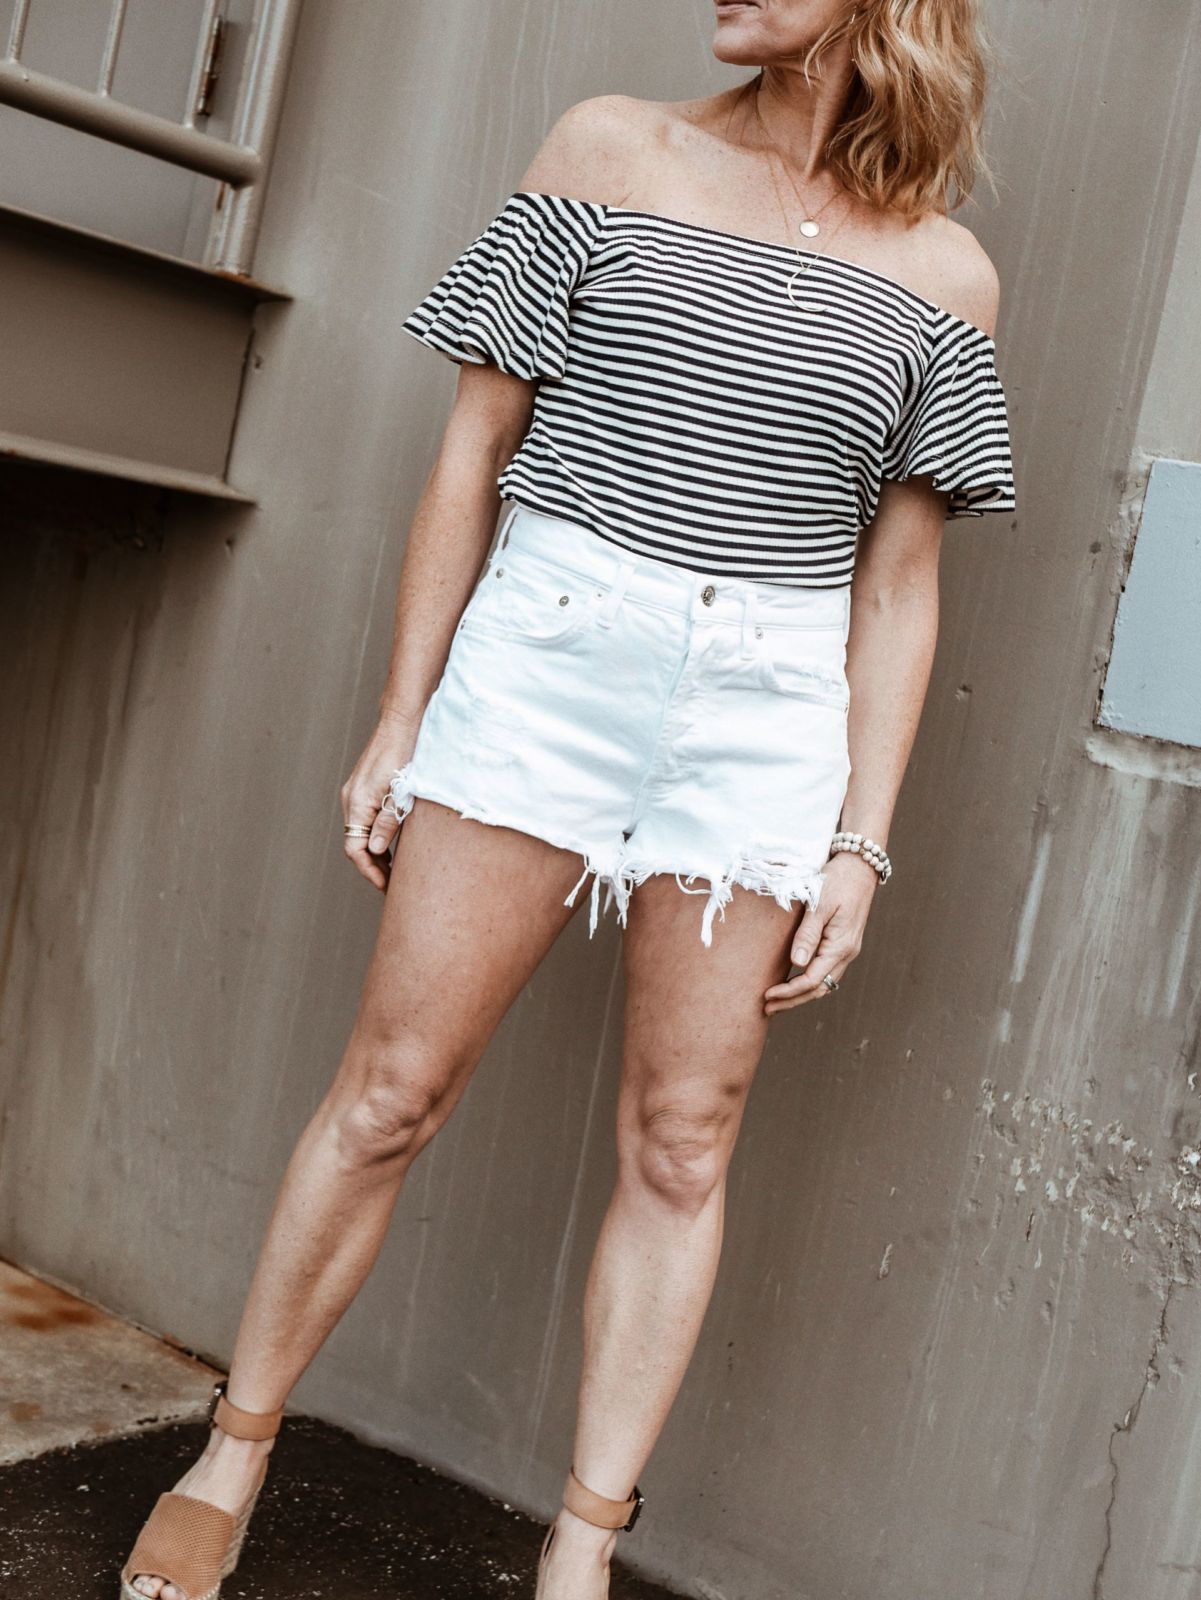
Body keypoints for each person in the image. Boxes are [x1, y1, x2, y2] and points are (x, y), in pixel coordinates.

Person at [120, 2, 1017, 1597]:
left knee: (684, 1136)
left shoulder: (947, 276)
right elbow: (473, 449)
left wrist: (859, 833)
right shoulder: (611, 150)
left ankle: (580, 1551)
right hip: (550, 656)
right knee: (392, 1087)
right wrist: (405, 713)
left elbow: (897, 586)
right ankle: (234, 1447)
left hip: (766, 706)